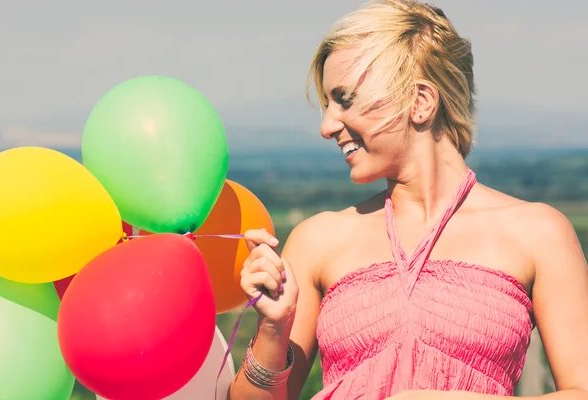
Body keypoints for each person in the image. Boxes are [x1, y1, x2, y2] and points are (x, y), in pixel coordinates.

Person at [228, 1, 588, 399]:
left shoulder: (540, 234)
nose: (327, 126)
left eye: (344, 99)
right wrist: (273, 330)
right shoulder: (317, 240)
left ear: (420, 102)